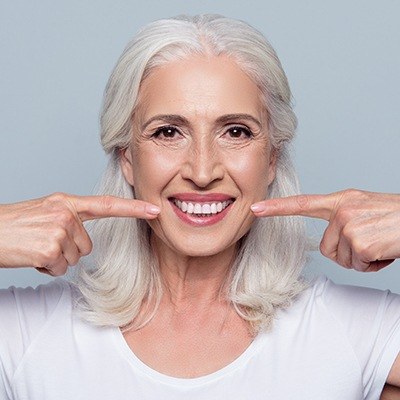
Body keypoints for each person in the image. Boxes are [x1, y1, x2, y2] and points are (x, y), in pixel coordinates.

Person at [0, 14, 399, 399]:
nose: (203, 170)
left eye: (236, 131)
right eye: (168, 132)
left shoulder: (356, 332)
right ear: (126, 157)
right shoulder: (23, 335)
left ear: (273, 158)